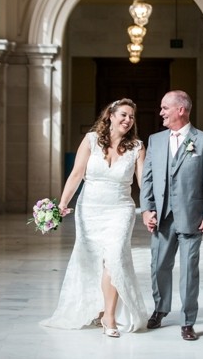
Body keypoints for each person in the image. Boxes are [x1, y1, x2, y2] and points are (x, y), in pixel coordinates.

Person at [40, 98, 148, 338]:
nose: (128, 120)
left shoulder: (137, 147)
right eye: (123, 115)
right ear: (110, 116)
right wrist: (63, 204)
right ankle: (97, 309)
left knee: (116, 257)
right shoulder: (90, 140)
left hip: (121, 209)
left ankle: (109, 316)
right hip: (89, 209)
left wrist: (152, 208)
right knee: (93, 261)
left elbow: (143, 182)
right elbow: (77, 174)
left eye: (131, 116)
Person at [139, 90, 203, 341]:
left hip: (192, 216)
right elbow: (148, 178)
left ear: (181, 110)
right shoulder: (156, 140)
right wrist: (146, 208)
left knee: (188, 270)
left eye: (165, 107)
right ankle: (161, 309)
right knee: (159, 266)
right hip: (162, 217)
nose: (161, 112)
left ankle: (187, 321)